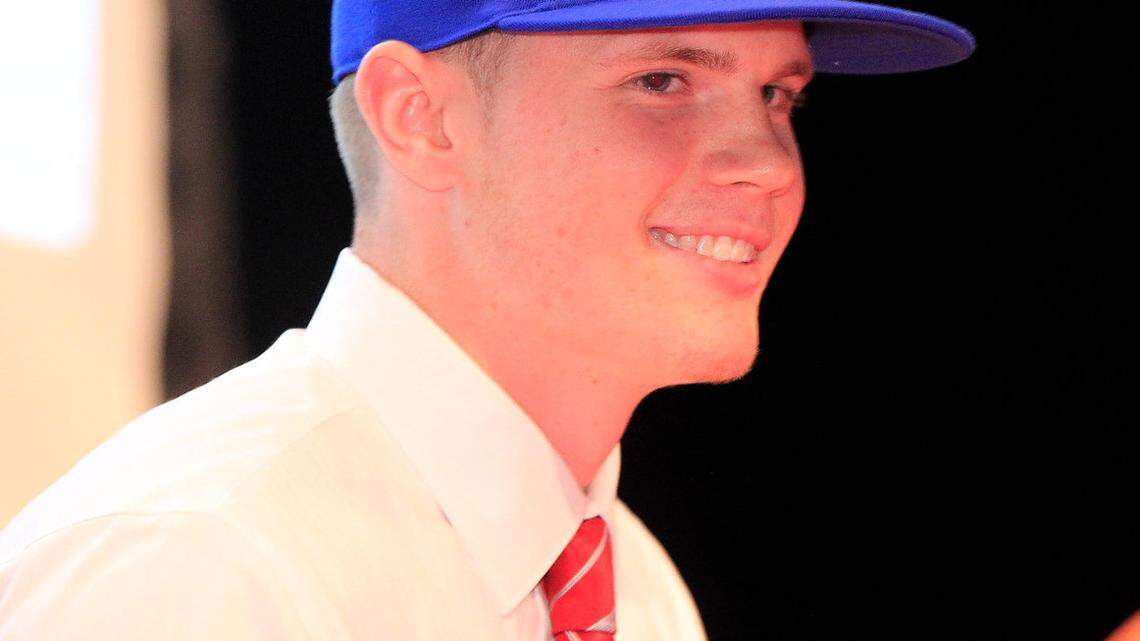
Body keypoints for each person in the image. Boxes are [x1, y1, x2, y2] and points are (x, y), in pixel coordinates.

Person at [0, 1, 975, 639]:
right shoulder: (202, 567)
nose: (766, 161)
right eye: (664, 82)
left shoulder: (636, 590)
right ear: (419, 115)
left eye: (778, 95)